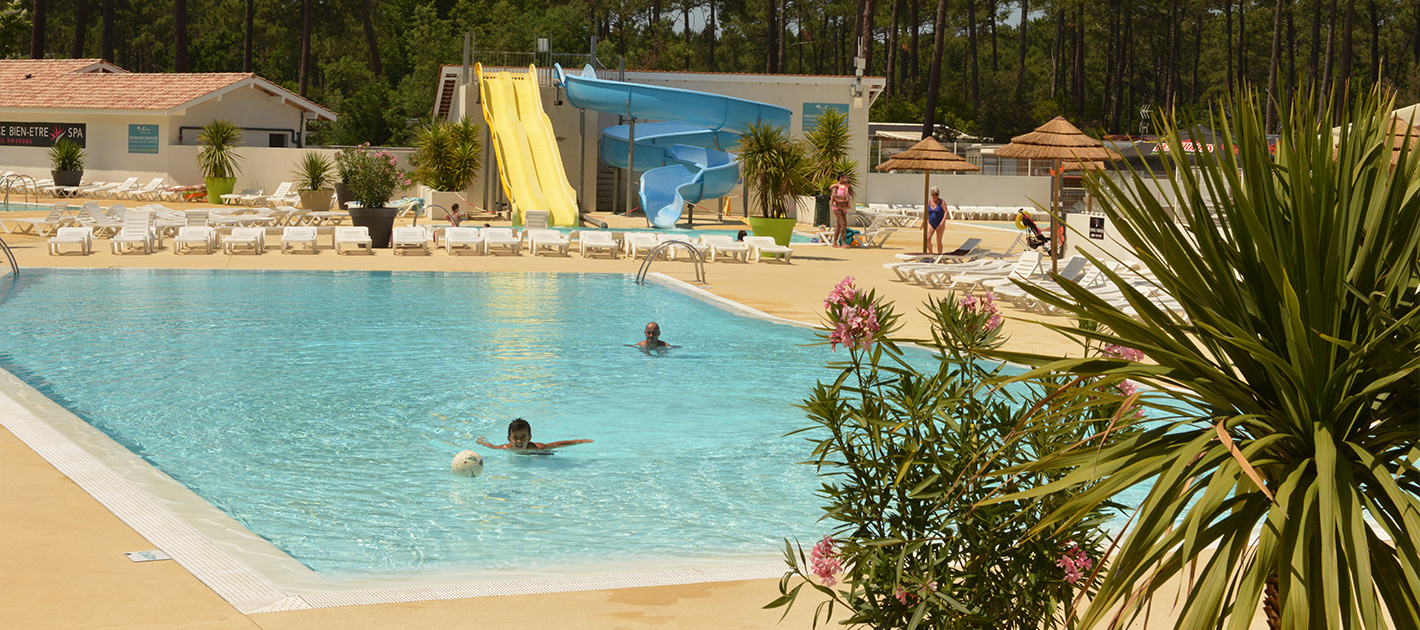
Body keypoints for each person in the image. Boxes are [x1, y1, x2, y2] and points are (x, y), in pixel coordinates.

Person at [477, 418, 592, 452]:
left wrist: (579, 441)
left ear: (529, 438)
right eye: (515, 438)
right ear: (509, 439)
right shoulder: (506, 448)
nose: (519, 441)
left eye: (523, 438)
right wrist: (481, 441)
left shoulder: (538, 447)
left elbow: (558, 444)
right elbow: (491, 446)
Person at [829, 173, 853, 247]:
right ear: (841, 178)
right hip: (838, 208)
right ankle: (843, 242)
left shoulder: (845, 187)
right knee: (844, 224)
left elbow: (850, 194)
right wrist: (844, 200)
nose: (846, 178)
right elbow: (834, 196)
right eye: (845, 177)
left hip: (843, 208)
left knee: (839, 225)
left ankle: (835, 242)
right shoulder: (836, 187)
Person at [926, 187, 947, 254]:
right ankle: (931, 253)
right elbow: (926, 212)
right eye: (933, 194)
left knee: (938, 240)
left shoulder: (942, 202)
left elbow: (946, 212)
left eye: (936, 194)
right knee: (927, 239)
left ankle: (939, 256)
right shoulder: (929, 202)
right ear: (931, 194)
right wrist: (924, 221)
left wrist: (943, 221)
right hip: (931, 223)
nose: (935, 196)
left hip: (939, 224)